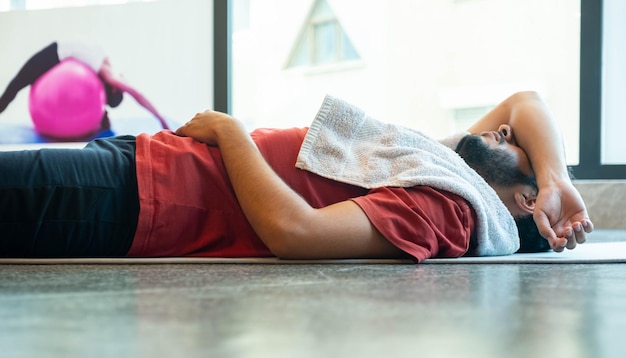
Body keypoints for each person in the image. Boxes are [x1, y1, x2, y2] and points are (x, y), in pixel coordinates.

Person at [0, 91, 593, 261]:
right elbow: (526, 101)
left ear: (519, 202)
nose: (508, 133)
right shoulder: (449, 165)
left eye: (515, 149)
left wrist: (231, 133)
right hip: (147, 166)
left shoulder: (452, 210)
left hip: (143, 198)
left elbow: (298, 234)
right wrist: (556, 180)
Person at [0, 41, 169, 133]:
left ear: (115, 89)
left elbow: (137, 95)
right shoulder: (105, 66)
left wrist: (160, 118)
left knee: (15, 85)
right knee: (15, 87)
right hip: (57, 58)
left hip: (53, 54)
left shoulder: (108, 76)